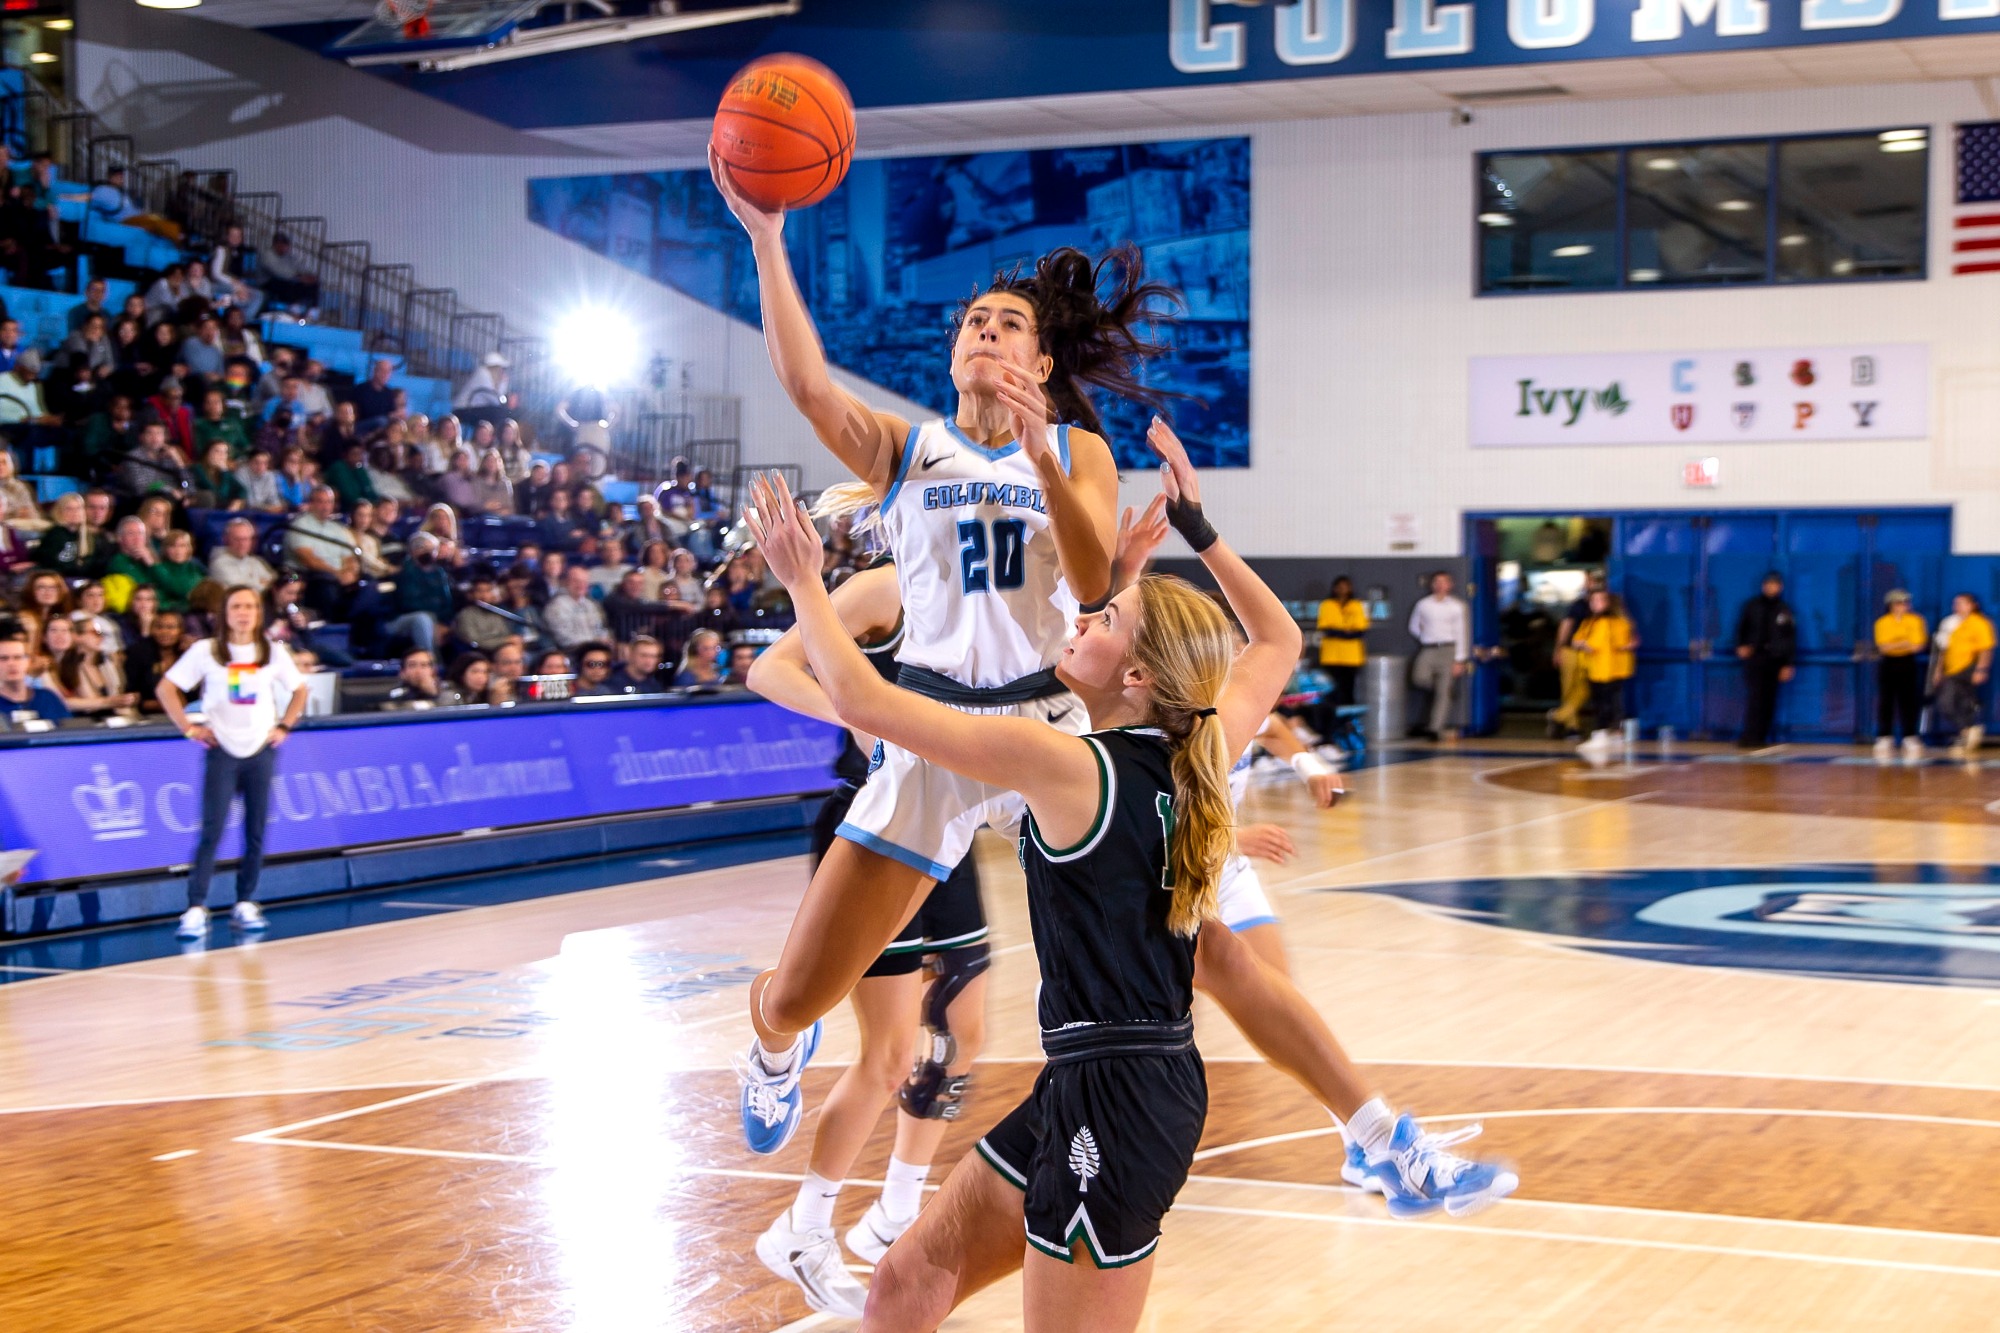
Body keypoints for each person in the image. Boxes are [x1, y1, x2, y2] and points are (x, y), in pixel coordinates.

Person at [748, 451, 1503, 1330]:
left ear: (1136, 674)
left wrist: (804, 583)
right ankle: (1377, 1133)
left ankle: (1377, 1133)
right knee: (904, 1283)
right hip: (1086, 1079)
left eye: (1103, 616)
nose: (1080, 613)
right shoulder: (1203, 747)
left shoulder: (1061, 763)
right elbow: (1278, 643)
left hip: (1125, 1095)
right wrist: (1199, 531)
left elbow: (869, 703)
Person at [715, 149, 1152, 1156]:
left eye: (1007, 323)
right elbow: (803, 383)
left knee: (1163, 924)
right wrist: (768, 239)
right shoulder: (910, 451)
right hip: (929, 729)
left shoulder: (1077, 450)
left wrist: (1043, 455)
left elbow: (1090, 585)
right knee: (798, 992)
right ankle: (775, 1039)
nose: (985, 330)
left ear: (1041, 364)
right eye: (971, 322)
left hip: (1044, 723)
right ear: (951, 354)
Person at [158, 586, 306, 938]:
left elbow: (300, 689)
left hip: (260, 749)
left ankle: (246, 900)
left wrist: (285, 725)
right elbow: (167, 688)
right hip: (222, 748)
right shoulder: (205, 651)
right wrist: (189, 728)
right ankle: (196, 907)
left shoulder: (271, 651)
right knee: (213, 829)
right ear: (224, 612)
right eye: (237, 606)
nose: (244, 613)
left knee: (255, 829)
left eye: (251, 606)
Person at [1572, 589, 1638, 755]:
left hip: (1608, 668)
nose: (1594, 604)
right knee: (1607, 701)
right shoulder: (1591, 621)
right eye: (1593, 600)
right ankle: (1613, 732)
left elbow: (1594, 644)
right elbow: (1577, 640)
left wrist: (1584, 644)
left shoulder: (1611, 623)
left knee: (1606, 702)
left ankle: (1604, 733)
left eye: (1599, 600)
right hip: (1598, 668)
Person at [1734, 572, 1796, 749]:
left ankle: (1762, 736)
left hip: (1775, 658)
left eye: (1775, 584)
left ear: (1780, 587)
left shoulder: (1784, 610)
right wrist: (1741, 645)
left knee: (1769, 699)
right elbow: (1742, 628)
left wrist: (1788, 663)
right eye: (1768, 584)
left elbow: (1790, 638)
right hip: (1756, 657)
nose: (1771, 587)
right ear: (1763, 586)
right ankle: (1749, 736)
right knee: (1755, 697)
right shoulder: (1752, 606)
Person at [1406, 570, 1469, 741]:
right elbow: (1414, 626)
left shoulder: (1457, 606)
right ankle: (1446, 689)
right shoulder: (1423, 604)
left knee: (1442, 693)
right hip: (1429, 648)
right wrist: (1425, 636)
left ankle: (1435, 728)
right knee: (1419, 677)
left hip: (1449, 649)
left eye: (1444, 582)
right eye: (1437, 582)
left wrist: (1460, 659)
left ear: (1450, 585)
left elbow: (1462, 632)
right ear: (1432, 585)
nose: (1440, 585)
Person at [1933, 592, 1994, 758]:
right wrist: (1938, 670)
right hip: (1951, 670)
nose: (1957, 607)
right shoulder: (1950, 623)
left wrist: (1981, 669)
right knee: (1945, 703)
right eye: (1955, 604)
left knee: (1965, 702)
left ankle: (1968, 734)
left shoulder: (1980, 623)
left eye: (1961, 603)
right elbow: (1943, 649)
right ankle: (1968, 730)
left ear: (1972, 605)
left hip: (1969, 667)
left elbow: (1985, 649)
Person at [1548, 569, 1607, 740]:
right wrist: (1558, 649)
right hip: (1571, 651)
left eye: (1591, 580)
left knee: (1585, 689)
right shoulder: (1578, 605)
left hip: (1591, 653)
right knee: (1569, 688)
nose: (1589, 584)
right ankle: (1572, 727)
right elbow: (1566, 626)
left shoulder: (1603, 607)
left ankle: (1558, 716)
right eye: (1588, 581)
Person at [1873, 590, 1927, 761]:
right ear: (1890, 605)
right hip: (1888, 663)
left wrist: (1898, 643)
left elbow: (1918, 645)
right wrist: (1904, 642)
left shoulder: (1916, 620)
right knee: (1886, 700)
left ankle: (1910, 735)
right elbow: (1883, 646)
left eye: (1905, 603)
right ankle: (1884, 736)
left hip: (1908, 663)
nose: (1903, 606)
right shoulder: (1882, 622)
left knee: (1908, 700)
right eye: (1899, 603)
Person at [1314, 575, 1367, 710]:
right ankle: (1332, 723)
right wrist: (1346, 632)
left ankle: (1348, 724)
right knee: (1332, 690)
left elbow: (1359, 630)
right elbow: (1326, 629)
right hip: (1332, 656)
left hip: (1351, 657)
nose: (1342, 590)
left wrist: (1339, 631)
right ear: (1334, 588)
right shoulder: (1327, 605)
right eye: (1340, 587)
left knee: (1348, 690)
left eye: (1346, 587)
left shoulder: (1356, 605)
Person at [0, 633, 69, 726]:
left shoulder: (48, 698)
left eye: (18, 657)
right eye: (4, 658)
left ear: (28, 662)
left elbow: (69, 731)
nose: (11, 664)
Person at [544, 563, 609, 652]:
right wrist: (593, 643)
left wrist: (603, 639)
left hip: (594, 651)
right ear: (566, 582)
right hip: (571, 653)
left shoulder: (591, 605)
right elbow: (564, 638)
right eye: (576, 581)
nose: (581, 585)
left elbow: (600, 628)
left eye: (584, 582)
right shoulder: (557, 606)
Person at [208, 517, 277, 593]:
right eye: (237, 539)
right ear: (226, 539)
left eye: (245, 539)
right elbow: (242, 590)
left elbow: (273, 583)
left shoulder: (255, 561)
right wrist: (260, 582)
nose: (242, 544)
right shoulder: (219, 564)